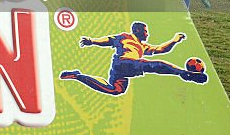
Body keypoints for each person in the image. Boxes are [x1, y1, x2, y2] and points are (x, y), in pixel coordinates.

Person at [60, 21, 207, 95]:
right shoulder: (125, 37)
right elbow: (109, 40)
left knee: (116, 90)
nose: (147, 34)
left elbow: (161, 49)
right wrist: (92, 41)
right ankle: (182, 73)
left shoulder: (142, 47)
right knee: (153, 66)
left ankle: (78, 76)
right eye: (145, 31)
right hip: (124, 62)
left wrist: (175, 40)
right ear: (137, 30)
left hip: (121, 70)